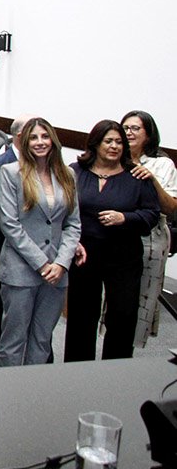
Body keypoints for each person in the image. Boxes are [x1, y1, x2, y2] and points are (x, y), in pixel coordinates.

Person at [64, 119, 159, 362]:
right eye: (108, 141)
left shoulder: (137, 176)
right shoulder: (75, 172)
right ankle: (76, 371)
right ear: (95, 144)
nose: (115, 146)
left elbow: (151, 215)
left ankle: (115, 371)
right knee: (81, 316)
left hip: (124, 257)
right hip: (83, 254)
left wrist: (124, 218)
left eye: (119, 142)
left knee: (122, 316)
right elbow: (61, 210)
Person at [0, 118, 81, 366]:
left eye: (45, 136)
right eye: (33, 137)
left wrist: (61, 263)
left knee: (42, 339)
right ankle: (10, 388)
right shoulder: (11, 173)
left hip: (56, 273)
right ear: (24, 141)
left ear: (53, 140)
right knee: (14, 341)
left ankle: (35, 387)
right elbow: (10, 225)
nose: (40, 142)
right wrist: (42, 264)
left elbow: (73, 224)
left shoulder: (67, 174)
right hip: (21, 270)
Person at [119, 111, 177, 348]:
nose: (128, 133)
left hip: (150, 239)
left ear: (149, 134)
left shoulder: (162, 164)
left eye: (135, 128)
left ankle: (129, 350)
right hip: (118, 235)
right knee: (116, 303)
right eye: (125, 128)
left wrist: (152, 180)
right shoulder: (115, 157)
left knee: (140, 302)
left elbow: (171, 208)